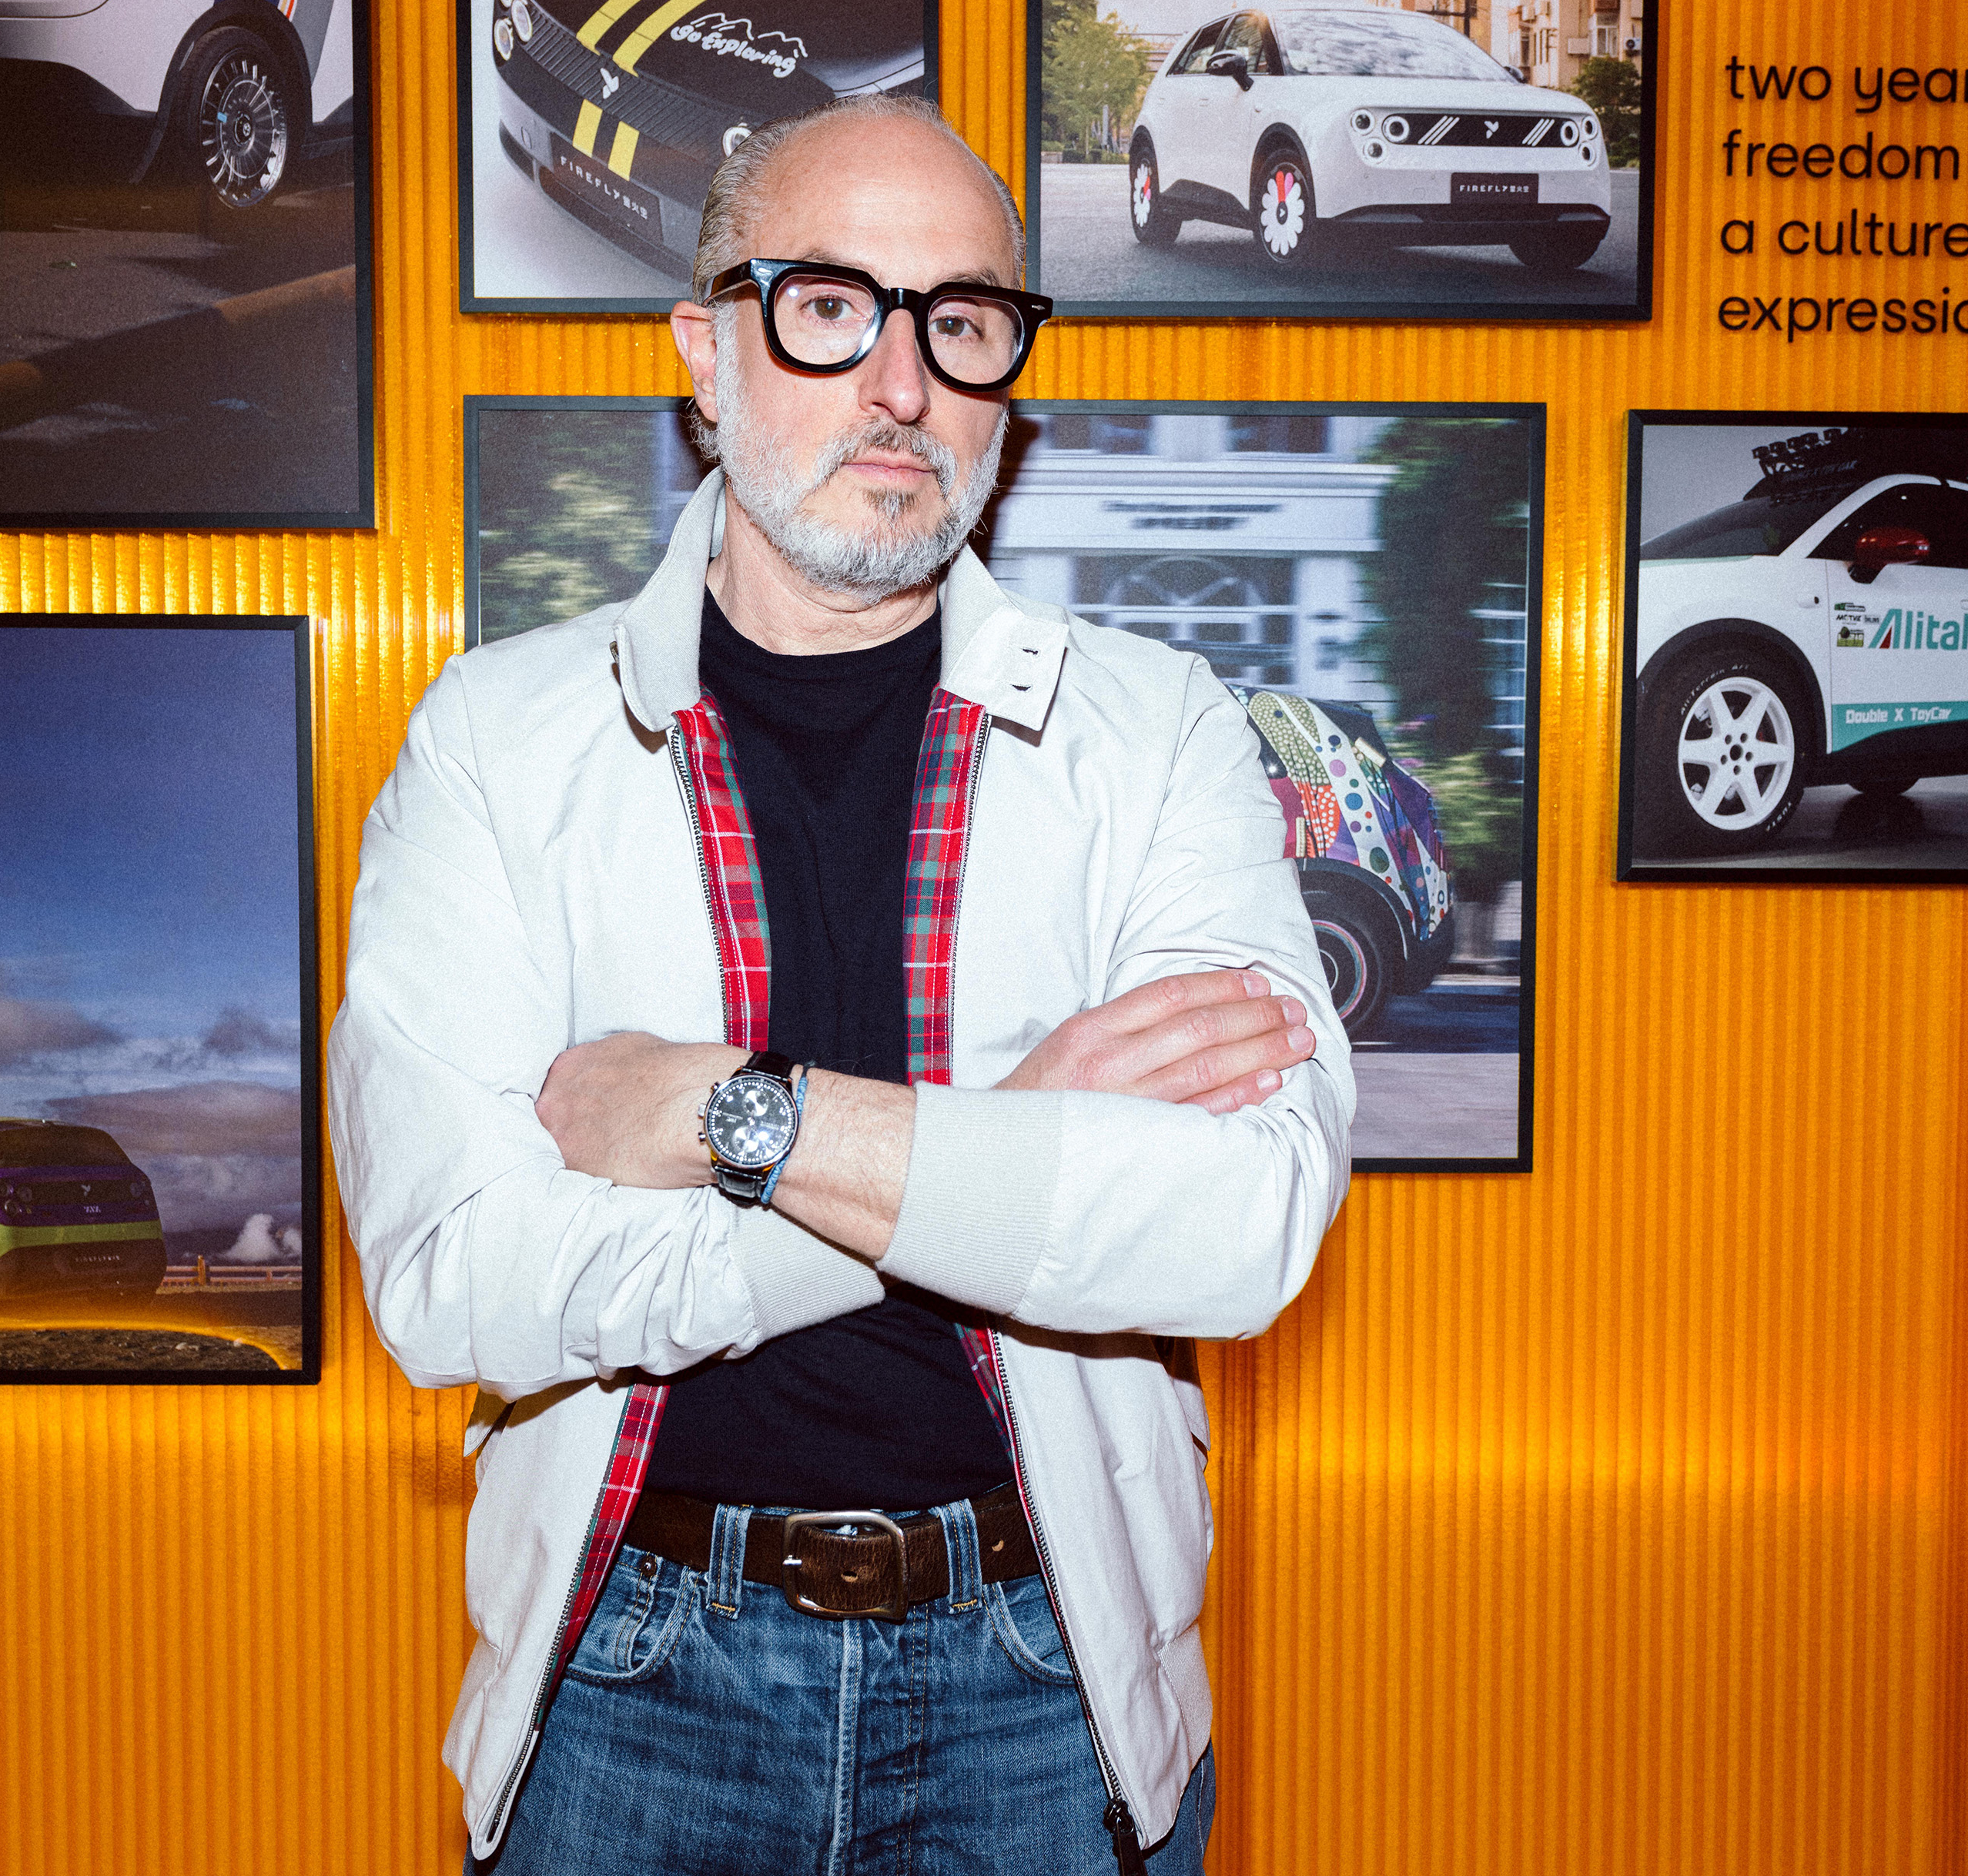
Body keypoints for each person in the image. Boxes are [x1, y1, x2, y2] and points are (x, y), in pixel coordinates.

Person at [328, 96, 1354, 1874]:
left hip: (1049, 1683)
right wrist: (1002, 1141)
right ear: (703, 349)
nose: (901, 384)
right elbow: (449, 1280)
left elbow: (1240, 1226)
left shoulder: (1157, 732)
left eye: (961, 321)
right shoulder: (499, 741)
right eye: (828, 306)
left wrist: (741, 1117)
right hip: (629, 1675)